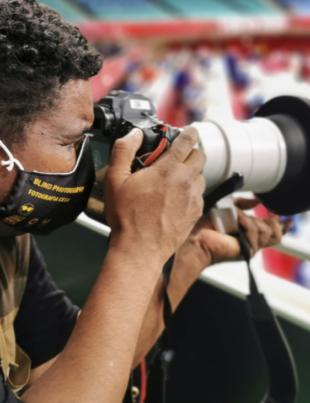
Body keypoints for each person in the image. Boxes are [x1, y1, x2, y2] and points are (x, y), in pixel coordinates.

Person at [0, 1, 292, 402]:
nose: (85, 162)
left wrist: (191, 252)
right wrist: (138, 246)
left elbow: (74, 368)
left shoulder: (10, 239)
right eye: (69, 142)